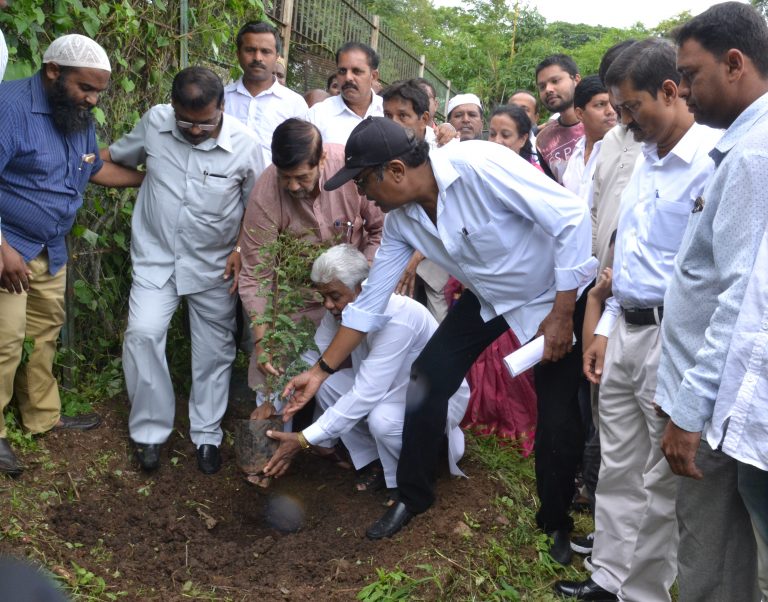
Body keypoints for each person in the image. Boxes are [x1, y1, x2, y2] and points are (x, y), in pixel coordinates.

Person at [281, 117, 596, 549]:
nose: (363, 194)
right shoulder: (401, 223)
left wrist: (562, 312)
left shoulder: (479, 165)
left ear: (395, 170)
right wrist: (319, 373)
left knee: (557, 415)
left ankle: (555, 522)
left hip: (552, 295)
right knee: (427, 376)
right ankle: (414, 495)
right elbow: (369, 304)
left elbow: (572, 218)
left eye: (363, 182)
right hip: (489, 299)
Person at [554, 38, 722, 602]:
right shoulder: (644, 157)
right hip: (625, 328)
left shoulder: (711, 162)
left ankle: (643, 592)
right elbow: (628, 258)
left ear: (670, 91)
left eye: (630, 107)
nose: (623, 120)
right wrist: (605, 328)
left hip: (674, 337)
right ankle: (608, 576)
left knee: (659, 478)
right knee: (619, 463)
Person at [103, 67, 264, 475]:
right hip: (156, 257)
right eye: (185, 121)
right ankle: (149, 431)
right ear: (172, 106)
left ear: (222, 106)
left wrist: (241, 249)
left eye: (204, 123)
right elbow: (118, 157)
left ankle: (207, 434)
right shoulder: (155, 123)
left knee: (214, 351)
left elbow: (258, 209)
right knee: (142, 334)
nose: (194, 130)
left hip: (214, 266)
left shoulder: (246, 146)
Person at [658, 3, 768, 599]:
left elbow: (741, 300)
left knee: (711, 553)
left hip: (720, 404)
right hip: (717, 396)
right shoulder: (742, 147)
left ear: (734, 64)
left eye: (690, 75)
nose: (684, 91)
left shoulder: (753, 156)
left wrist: (689, 410)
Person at [0, 34, 144, 476]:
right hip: (8, 248)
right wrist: (2, 249)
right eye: (86, 87)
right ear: (52, 72)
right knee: (4, 342)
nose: (93, 99)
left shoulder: (76, 114)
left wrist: (154, 178)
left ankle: (42, 417)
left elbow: (93, 166)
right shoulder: (9, 108)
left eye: (99, 91)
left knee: (44, 333)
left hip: (51, 247)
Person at [262, 245, 470, 498]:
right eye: (324, 296)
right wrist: (271, 400)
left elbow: (366, 393)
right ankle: (374, 460)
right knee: (326, 386)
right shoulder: (342, 310)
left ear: (362, 288)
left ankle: (409, 475)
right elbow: (312, 358)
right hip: (385, 390)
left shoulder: (399, 316)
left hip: (428, 398)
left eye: (334, 296)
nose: (328, 305)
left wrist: (305, 438)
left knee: (381, 421)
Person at [238, 119, 384, 395]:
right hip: (295, 300)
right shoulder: (266, 191)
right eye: (285, 177)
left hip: (354, 294)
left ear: (322, 159)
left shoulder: (349, 169)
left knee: (348, 380)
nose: (293, 186)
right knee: (276, 382)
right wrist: (262, 340)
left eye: (302, 177)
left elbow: (382, 230)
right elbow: (257, 273)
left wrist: (362, 281)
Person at [380, 80, 454, 323]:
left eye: (402, 116)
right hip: (401, 241)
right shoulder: (383, 148)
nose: (393, 123)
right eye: (387, 116)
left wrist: (416, 255)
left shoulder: (447, 150)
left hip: (439, 255)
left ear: (424, 119)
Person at [223, 21, 308, 165]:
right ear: (238, 54)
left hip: (274, 180)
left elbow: (302, 154)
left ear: (277, 56)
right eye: (250, 50)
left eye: (265, 51)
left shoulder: (294, 105)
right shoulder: (221, 98)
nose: (257, 58)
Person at [307, 42, 383, 144]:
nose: (348, 78)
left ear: (373, 76)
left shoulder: (387, 111)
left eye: (356, 71)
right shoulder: (317, 115)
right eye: (342, 71)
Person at [561, 75, 616, 203]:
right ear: (580, 114)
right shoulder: (577, 153)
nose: (611, 111)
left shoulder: (626, 151)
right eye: (600, 105)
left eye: (613, 103)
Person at [535, 54, 584, 184]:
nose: (548, 89)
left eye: (555, 81)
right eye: (542, 86)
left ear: (576, 80)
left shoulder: (601, 122)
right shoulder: (543, 141)